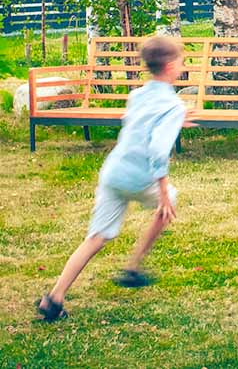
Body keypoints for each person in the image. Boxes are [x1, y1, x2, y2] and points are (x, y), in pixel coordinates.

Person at [37, 36, 192, 322]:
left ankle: (55, 297)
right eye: (181, 60)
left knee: (96, 237)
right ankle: (133, 267)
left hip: (113, 172)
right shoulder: (174, 105)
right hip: (140, 176)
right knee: (169, 200)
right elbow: (158, 150)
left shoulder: (138, 95)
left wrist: (174, 120)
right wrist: (162, 191)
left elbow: (138, 124)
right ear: (170, 66)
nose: (183, 64)